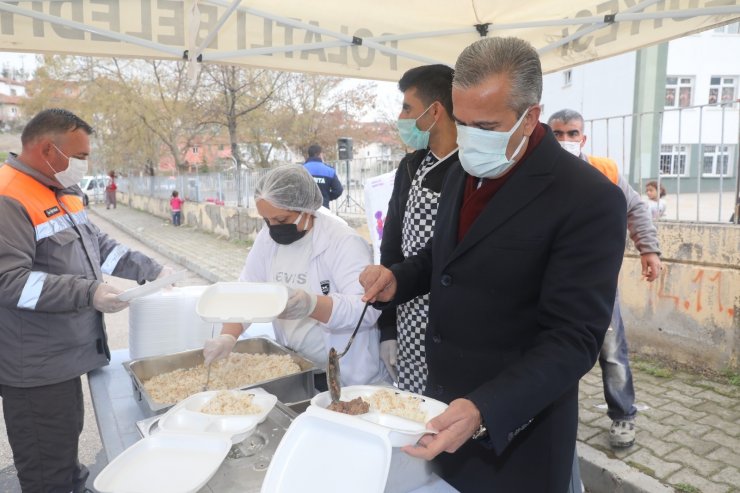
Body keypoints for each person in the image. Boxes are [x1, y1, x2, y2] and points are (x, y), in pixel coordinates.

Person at [359, 37, 627, 492]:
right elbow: (447, 256)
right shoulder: (466, 164)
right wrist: (398, 279)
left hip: (516, 431)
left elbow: (573, 338)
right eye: (462, 123)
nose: (469, 138)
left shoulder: (587, 199)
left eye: (485, 125)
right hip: (443, 408)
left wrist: (485, 408)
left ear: (530, 117)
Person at [0, 108, 171, 493]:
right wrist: (89, 292)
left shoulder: (60, 190)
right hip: (35, 369)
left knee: (63, 457)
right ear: (47, 150)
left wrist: (151, 270)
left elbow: (98, 247)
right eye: (78, 157)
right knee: (49, 474)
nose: (83, 164)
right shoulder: (8, 195)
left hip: (61, 357)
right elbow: (8, 282)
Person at [202, 165, 389, 390]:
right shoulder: (267, 239)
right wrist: (228, 337)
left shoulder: (343, 242)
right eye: (266, 220)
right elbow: (248, 291)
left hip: (347, 375)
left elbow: (366, 309)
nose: (273, 228)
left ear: (306, 208)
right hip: (299, 368)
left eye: (281, 219)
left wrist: (312, 305)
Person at [549, 108, 661, 449]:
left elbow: (636, 208)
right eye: (557, 133)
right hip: (550, 282)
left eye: (572, 133)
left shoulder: (605, 171)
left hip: (597, 283)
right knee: (549, 352)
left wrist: (649, 249)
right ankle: (548, 420)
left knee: (612, 351)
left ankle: (624, 417)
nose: (565, 140)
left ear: (583, 138)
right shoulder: (537, 172)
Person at [378, 64, 459, 392]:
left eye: (407, 108)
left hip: (451, 322)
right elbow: (391, 248)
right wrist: (388, 328)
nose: (401, 117)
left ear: (435, 110)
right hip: (408, 315)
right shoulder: (411, 166)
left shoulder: (469, 169)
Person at [303, 144, 343, 208]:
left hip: (304, 209)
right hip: (323, 207)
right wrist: (326, 198)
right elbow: (338, 190)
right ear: (320, 154)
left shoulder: (300, 170)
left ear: (309, 155)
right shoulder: (330, 171)